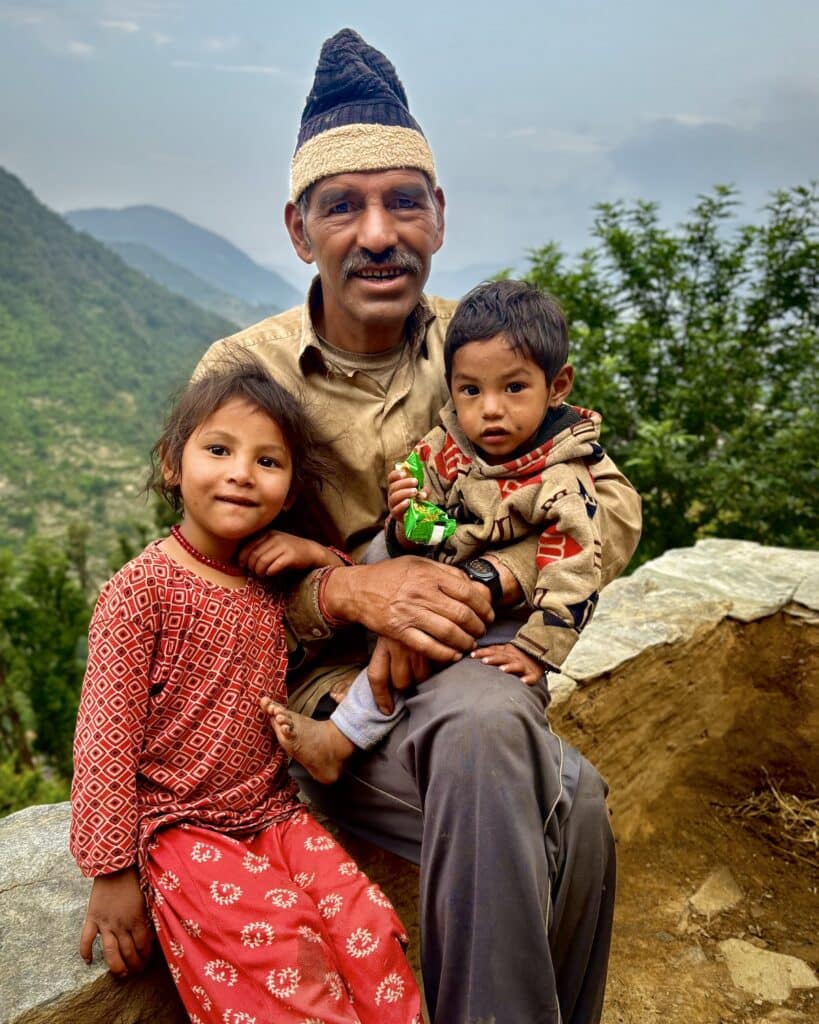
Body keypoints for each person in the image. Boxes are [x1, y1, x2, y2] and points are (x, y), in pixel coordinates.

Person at [200, 28, 642, 1024]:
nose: (377, 231)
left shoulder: (486, 349)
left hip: (470, 651)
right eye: (342, 206)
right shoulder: (246, 378)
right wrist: (348, 590)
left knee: (576, 809)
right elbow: (203, 581)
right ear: (296, 226)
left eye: (404, 200)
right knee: (514, 749)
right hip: (331, 703)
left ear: (439, 216)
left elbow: (605, 503)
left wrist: (489, 583)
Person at [69, 358, 423, 1024]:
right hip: (180, 828)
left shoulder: (268, 574)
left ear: (289, 492)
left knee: (369, 928)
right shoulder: (140, 592)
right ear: (173, 465)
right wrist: (110, 873)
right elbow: (103, 740)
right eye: (218, 450)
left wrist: (318, 556)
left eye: (268, 461)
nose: (240, 472)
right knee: (285, 944)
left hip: (272, 813)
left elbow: (349, 591)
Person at [263, 279, 619, 783]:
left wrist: (536, 650)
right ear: (451, 385)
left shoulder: (560, 480)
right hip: (415, 576)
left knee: (415, 658)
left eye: (514, 388)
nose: (490, 409)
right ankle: (326, 567)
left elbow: (574, 572)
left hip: (488, 613)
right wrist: (408, 516)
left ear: (557, 386)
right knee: (384, 565)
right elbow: (429, 527)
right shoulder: (447, 443)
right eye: (471, 390)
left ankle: (339, 740)